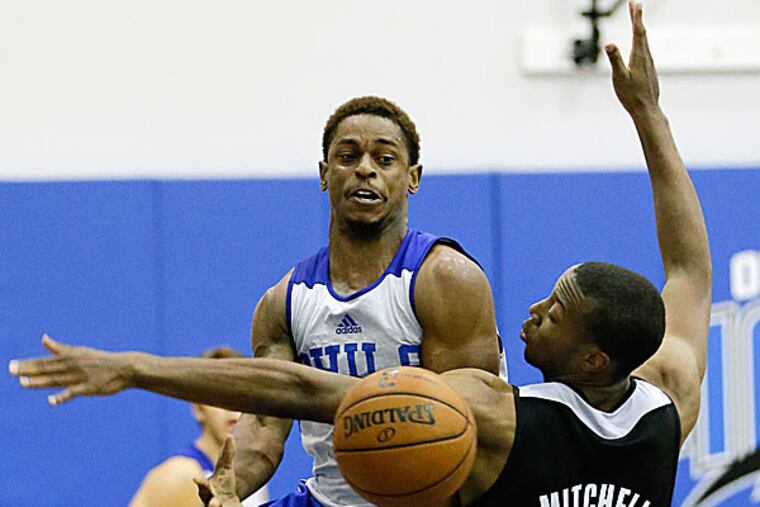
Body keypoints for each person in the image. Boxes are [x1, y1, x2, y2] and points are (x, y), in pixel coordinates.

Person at [10, 2, 710, 506]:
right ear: (323, 172)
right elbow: (689, 272)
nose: (530, 310)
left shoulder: (501, 410)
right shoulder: (666, 400)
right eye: (348, 156)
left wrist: (132, 366)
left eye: (554, 312)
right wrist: (647, 112)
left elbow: (305, 390)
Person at [206, 86, 506, 504]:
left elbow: (477, 425)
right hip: (328, 496)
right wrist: (229, 487)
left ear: (412, 178)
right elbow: (262, 424)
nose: (365, 169)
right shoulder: (284, 300)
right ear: (325, 173)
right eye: (348, 157)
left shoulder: (446, 279)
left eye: (384, 159)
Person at [128, 347, 268, 507]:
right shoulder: (181, 476)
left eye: (243, 396)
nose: (233, 407)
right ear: (198, 408)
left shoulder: (254, 477)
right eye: (221, 396)